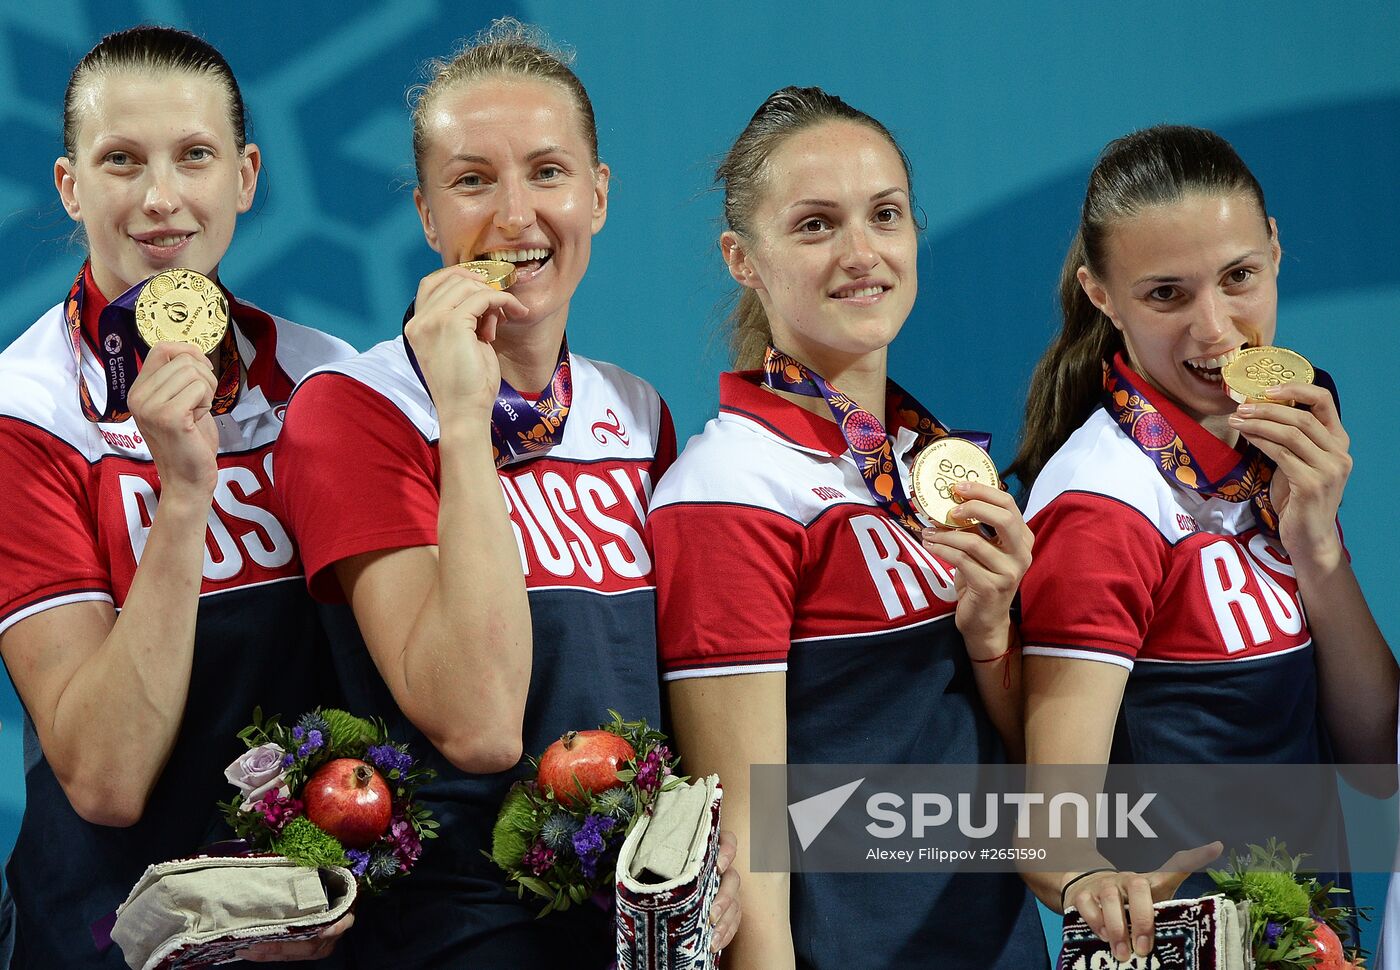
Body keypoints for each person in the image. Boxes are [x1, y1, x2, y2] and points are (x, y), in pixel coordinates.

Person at [272, 19, 739, 969]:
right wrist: (460, 415)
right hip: (457, 936)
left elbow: (677, 690)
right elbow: (479, 723)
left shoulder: (635, 411)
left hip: (637, 929)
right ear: (427, 215)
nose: (517, 215)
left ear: (599, 196)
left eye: (549, 172)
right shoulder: (352, 412)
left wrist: (716, 859)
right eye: (473, 180)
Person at [646, 86, 1049, 970]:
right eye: (816, 225)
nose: (863, 253)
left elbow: (1034, 779)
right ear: (741, 259)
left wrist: (991, 635)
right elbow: (746, 841)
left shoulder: (923, 459)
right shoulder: (727, 491)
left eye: (886, 215)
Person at [0, 25, 355, 968]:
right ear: (72, 185)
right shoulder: (25, 413)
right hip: (108, 933)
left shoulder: (332, 383)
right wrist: (185, 495)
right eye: (121, 160)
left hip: (313, 927)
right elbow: (104, 776)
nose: (161, 199)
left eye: (193, 156)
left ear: (244, 176)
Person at [1011, 124, 1398, 963]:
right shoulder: (1103, 503)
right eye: (1165, 295)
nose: (1216, 329)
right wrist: (1088, 884)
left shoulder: (1278, 448)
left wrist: (1318, 548)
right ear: (1101, 296)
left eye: (1238, 278)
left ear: (1277, 255)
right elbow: (1051, 825)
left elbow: (1376, 760)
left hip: (1316, 940)